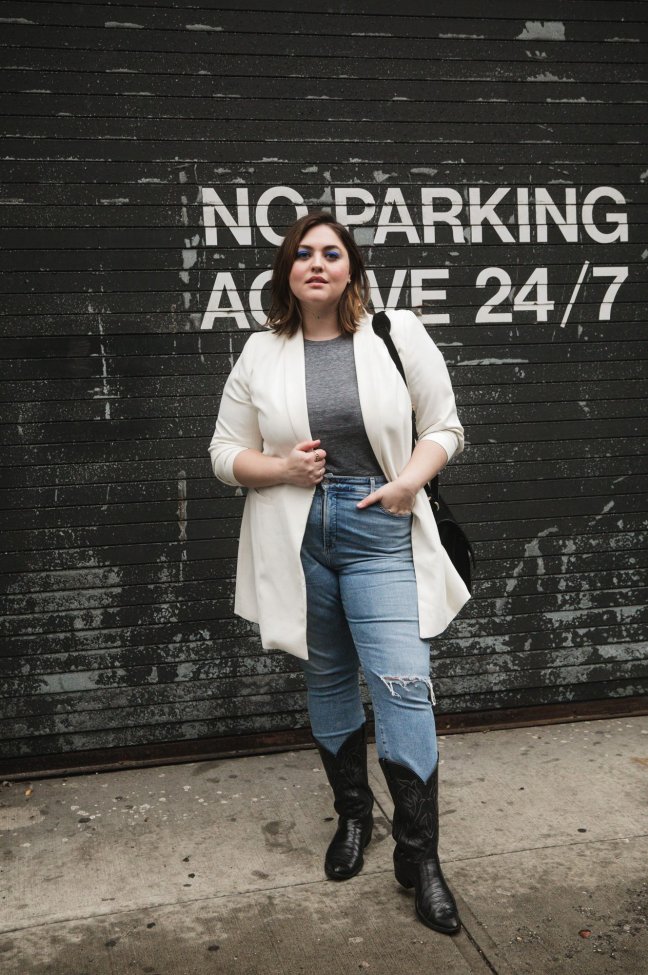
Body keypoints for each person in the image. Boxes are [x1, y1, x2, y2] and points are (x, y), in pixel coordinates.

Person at [209, 211, 470, 936]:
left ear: (350, 265)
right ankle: (355, 818)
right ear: (286, 271)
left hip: (379, 528)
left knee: (403, 685)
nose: (316, 262)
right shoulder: (261, 350)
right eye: (302, 254)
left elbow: (445, 426)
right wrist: (282, 466)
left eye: (331, 251)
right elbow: (225, 453)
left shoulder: (395, 333)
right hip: (298, 536)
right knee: (326, 680)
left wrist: (407, 483)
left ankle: (421, 858)